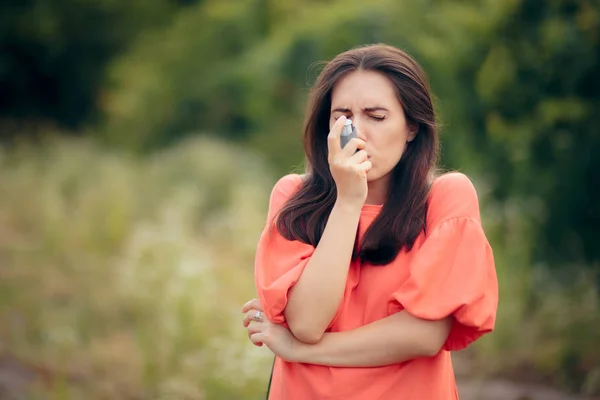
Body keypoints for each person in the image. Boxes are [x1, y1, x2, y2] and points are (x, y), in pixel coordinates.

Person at [241, 43, 498, 400]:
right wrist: (348, 202)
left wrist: (299, 350)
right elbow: (306, 322)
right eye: (342, 116)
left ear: (411, 127)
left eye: (376, 117)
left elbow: (424, 336)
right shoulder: (293, 197)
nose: (355, 133)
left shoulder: (445, 199)